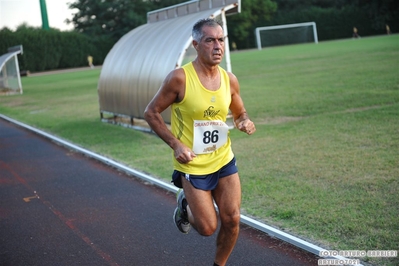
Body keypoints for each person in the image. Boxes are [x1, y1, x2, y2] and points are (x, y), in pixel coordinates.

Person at [144, 18, 256, 266]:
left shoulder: (230, 79)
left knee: (233, 219)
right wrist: (176, 144)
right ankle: (185, 205)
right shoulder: (179, 79)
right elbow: (150, 112)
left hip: (223, 159)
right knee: (207, 228)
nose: (217, 46)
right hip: (193, 165)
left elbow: (240, 112)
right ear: (196, 44)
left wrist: (244, 121)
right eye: (210, 40)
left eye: (221, 40)